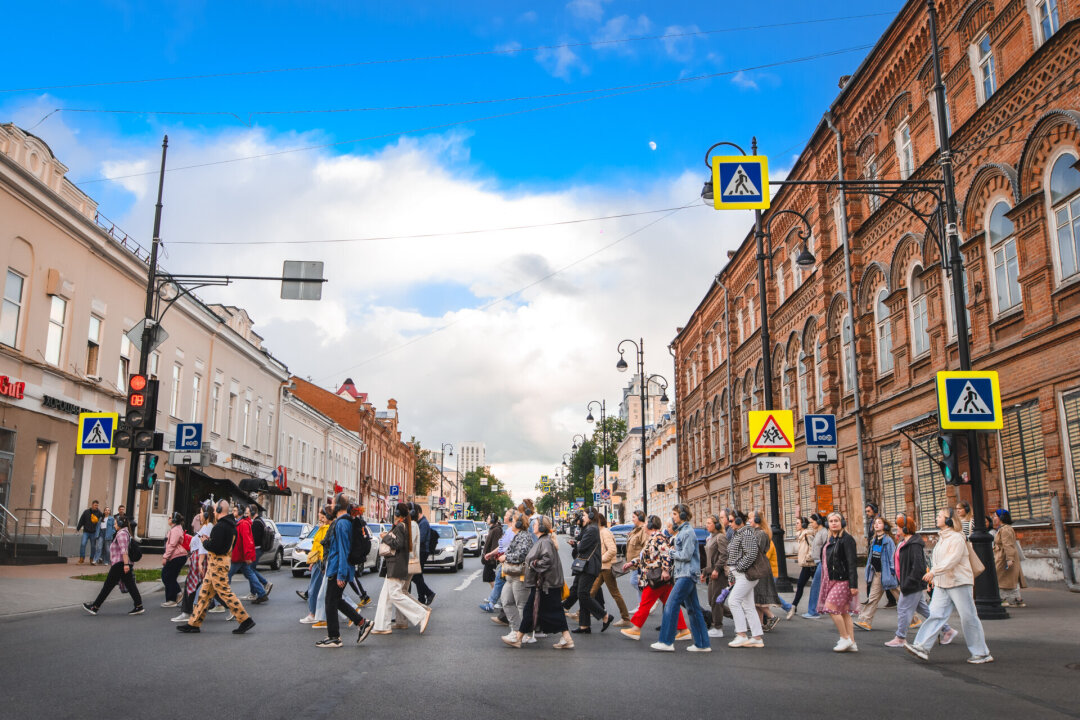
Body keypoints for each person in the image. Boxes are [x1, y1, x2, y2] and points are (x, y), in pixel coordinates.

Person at [906, 507, 993, 664]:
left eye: (940, 516)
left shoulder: (956, 538)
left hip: (959, 582)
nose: (936, 518)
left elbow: (952, 560)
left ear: (948, 520)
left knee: (968, 617)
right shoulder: (943, 538)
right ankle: (921, 646)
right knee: (935, 615)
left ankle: (982, 653)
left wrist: (934, 572)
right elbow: (939, 560)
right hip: (943, 583)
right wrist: (934, 577)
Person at [178, 500, 254, 634]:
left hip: (217, 563)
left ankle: (245, 619)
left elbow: (216, 547)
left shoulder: (220, 527)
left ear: (219, 510)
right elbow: (223, 545)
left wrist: (205, 542)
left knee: (225, 593)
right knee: (204, 594)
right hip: (220, 562)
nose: (213, 512)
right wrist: (210, 541)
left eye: (214, 509)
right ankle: (194, 623)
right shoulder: (231, 526)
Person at [885, 513, 956, 648]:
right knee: (925, 610)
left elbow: (918, 566)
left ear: (906, 528)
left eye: (899, 527)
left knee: (903, 609)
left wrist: (909, 581)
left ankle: (900, 637)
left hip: (912, 583)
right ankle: (948, 630)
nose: (897, 530)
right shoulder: (904, 542)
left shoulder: (914, 544)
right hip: (907, 582)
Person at [313, 494, 373, 648]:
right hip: (338, 568)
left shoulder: (341, 524)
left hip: (338, 569)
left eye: (332, 503)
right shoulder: (345, 521)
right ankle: (362, 623)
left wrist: (340, 574)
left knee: (330, 602)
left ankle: (335, 637)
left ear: (339, 506)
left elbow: (343, 549)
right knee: (335, 600)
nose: (331, 506)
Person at [620, 515, 691, 642]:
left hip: (656, 577)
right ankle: (684, 630)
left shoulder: (658, 538)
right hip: (658, 577)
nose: (644, 525)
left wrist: (665, 570)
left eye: (646, 522)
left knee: (645, 603)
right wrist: (632, 563)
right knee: (671, 604)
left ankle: (635, 629)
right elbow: (647, 557)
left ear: (651, 525)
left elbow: (666, 554)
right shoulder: (653, 538)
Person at [652, 504, 711, 652]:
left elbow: (686, 555)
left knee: (671, 605)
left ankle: (666, 641)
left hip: (686, 574)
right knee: (693, 609)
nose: (673, 517)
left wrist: (669, 553)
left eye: (675, 514)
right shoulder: (683, 532)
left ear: (683, 516)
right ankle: (702, 644)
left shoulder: (687, 532)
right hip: (685, 573)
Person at [514, 516, 574, 649]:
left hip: (546, 584)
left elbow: (547, 560)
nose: (532, 526)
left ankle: (518, 638)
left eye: (535, 524)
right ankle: (566, 638)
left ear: (542, 527)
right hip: (545, 583)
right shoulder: (543, 540)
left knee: (532, 609)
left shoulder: (545, 542)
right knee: (549, 611)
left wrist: (534, 563)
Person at [372, 502, 432, 635]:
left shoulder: (400, 526)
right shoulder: (405, 525)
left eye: (395, 512)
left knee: (395, 594)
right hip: (395, 564)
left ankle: (421, 614)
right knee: (385, 596)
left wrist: (385, 537)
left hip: (396, 564)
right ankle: (382, 626)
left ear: (398, 514)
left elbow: (398, 544)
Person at [82, 514, 144, 616]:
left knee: (107, 586)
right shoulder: (124, 533)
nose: (114, 525)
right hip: (122, 563)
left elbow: (124, 551)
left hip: (120, 564)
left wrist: (125, 565)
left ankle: (95, 607)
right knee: (130, 585)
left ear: (120, 523)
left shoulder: (121, 534)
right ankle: (139, 606)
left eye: (115, 523)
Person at [819, 511, 859, 652]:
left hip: (843, 580)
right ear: (827, 524)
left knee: (831, 608)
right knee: (844, 612)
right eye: (831, 521)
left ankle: (845, 638)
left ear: (842, 523)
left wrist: (853, 584)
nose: (834, 523)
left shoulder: (847, 539)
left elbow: (851, 563)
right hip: (831, 580)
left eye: (836, 520)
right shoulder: (830, 540)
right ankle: (852, 642)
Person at [570, 507, 614, 634]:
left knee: (583, 594)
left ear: (590, 515)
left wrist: (576, 545)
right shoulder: (590, 528)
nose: (582, 517)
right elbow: (581, 542)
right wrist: (576, 543)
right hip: (586, 565)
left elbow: (582, 547)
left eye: (583, 515)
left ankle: (605, 615)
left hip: (590, 566)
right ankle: (584, 625)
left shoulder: (592, 529)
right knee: (582, 593)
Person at [725, 512, 764, 648]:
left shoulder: (746, 533)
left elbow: (751, 554)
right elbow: (733, 557)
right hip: (740, 574)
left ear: (739, 520)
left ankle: (741, 634)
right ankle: (757, 637)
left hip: (746, 575)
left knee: (733, 601)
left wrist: (739, 569)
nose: (729, 524)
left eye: (731, 521)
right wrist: (732, 575)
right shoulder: (738, 533)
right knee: (748, 605)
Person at [854, 516, 898, 632]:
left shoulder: (888, 540)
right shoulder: (874, 540)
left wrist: (893, 572)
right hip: (878, 574)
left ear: (885, 526)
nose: (876, 525)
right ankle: (865, 621)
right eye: (875, 523)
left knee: (901, 599)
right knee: (872, 598)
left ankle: (914, 619)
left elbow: (892, 557)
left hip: (888, 574)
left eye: (879, 523)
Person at [500, 511, 538, 647]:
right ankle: (515, 630)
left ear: (520, 523)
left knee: (521, 605)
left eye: (514, 520)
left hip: (519, 576)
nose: (511, 521)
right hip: (511, 574)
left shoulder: (525, 537)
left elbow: (521, 555)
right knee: (506, 601)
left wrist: (506, 557)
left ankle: (525, 634)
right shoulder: (518, 536)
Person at [589, 514, 632, 627]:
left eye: (593, 521)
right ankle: (583, 612)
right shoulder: (600, 532)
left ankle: (626, 618)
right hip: (602, 567)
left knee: (614, 593)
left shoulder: (605, 532)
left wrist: (601, 559)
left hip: (606, 567)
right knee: (591, 592)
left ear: (598, 522)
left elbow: (612, 550)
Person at [173, 505, 213, 623]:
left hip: (199, 560)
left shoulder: (207, 527)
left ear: (206, 514)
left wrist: (200, 563)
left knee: (191, 584)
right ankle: (228, 606)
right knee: (209, 585)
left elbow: (203, 546)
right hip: (197, 559)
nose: (199, 515)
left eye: (201, 512)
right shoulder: (205, 526)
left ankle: (186, 612)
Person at [748, 512, 783, 632]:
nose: (749, 521)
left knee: (759, 598)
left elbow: (756, 552)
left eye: (750, 518)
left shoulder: (761, 534)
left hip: (760, 570)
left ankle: (772, 617)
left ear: (757, 520)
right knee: (757, 599)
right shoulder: (756, 533)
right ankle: (758, 625)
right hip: (759, 569)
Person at [229, 505, 269, 604]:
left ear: (240, 512)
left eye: (235, 510)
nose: (233, 512)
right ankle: (261, 593)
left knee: (227, 575)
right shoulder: (241, 523)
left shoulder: (243, 524)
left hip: (239, 555)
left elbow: (247, 541)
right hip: (240, 555)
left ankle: (223, 597)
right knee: (249, 573)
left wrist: (247, 556)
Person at [299, 506, 331, 624]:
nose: (318, 515)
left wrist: (319, 562)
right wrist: (312, 560)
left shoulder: (325, 529)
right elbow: (316, 546)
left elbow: (321, 548)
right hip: (318, 561)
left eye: (319, 513)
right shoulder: (321, 528)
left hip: (321, 562)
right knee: (323, 590)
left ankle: (313, 614)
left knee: (314, 590)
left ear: (324, 516)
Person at [701, 514, 728, 638]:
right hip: (711, 573)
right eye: (706, 523)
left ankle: (718, 627)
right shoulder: (710, 538)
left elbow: (724, 555)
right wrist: (704, 572)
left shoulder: (720, 537)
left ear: (716, 525)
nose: (706, 525)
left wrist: (717, 569)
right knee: (712, 601)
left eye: (709, 523)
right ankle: (741, 617)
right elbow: (708, 559)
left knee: (717, 601)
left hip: (719, 575)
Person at [480, 509, 513, 613]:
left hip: (505, 561)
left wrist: (493, 557)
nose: (504, 516)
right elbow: (501, 545)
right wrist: (491, 553)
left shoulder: (502, 530)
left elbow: (501, 546)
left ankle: (496, 601)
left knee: (499, 581)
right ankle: (494, 601)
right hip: (501, 559)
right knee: (499, 581)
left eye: (506, 515)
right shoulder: (506, 529)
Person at [993, 509, 1026, 608]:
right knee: (1005, 578)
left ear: (1001, 518)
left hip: (1003, 557)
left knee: (1002, 578)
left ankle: (1007, 599)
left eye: (995, 516)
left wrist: (1009, 559)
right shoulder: (1002, 528)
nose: (994, 518)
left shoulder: (1005, 529)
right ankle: (1014, 599)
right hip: (1002, 556)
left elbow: (1008, 545)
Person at [789, 516, 818, 619]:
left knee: (803, 585)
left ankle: (794, 606)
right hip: (806, 565)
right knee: (801, 585)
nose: (796, 525)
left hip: (810, 565)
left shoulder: (807, 534)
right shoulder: (801, 535)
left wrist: (808, 557)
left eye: (798, 523)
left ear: (803, 525)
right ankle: (794, 606)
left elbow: (813, 547)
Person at [160, 512, 189, 608]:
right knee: (169, 576)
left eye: (170, 517)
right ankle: (171, 599)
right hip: (176, 556)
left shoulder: (176, 530)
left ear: (174, 520)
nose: (168, 519)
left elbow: (172, 545)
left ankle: (176, 594)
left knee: (166, 576)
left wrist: (165, 557)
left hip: (177, 556)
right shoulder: (175, 529)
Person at [802, 513, 828, 619]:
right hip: (818, 562)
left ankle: (813, 611)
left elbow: (827, 547)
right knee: (825, 587)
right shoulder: (818, 532)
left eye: (812, 522)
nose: (811, 524)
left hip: (823, 562)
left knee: (815, 586)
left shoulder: (824, 532)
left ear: (818, 522)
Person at [411, 504, 436, 606]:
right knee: (418, 575)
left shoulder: (424, 523)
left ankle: (429, 593)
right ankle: (421, 598)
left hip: (422, 552)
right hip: (420, 551)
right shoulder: (420, 522)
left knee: (415, 576)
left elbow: (420, 539)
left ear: (418, 513)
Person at [624, 510, 648, 606]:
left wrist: (638, 560)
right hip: (633, 563)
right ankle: (641, 605)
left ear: (640, 518)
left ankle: (649, 598)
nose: (632, 519)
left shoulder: (643, 530)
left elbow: (645, 547)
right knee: (638, 584)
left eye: (634, 517)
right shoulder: (635, 530)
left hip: (638, 563)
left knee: (635, 582)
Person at [481, 512, 504, 593]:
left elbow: (495, 544)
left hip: (491, 559)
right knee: (489, 577)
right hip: (489, 557)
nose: (487, 520)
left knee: (489, 577)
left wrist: (492, 557)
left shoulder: (496, 530)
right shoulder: (493, 529)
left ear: (493, 520)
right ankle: (494, 595)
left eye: (488, 518)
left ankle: (496, 595)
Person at [76, 500, 103, 565]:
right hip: (86, 532)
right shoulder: (86, 512)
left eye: (97, 505)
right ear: (92, 505)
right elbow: (81, 520)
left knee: (93, 546)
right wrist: (78, 528)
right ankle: (81, 558)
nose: (96, 506)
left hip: (93, 532)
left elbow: (103, 520)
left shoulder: (99, 513)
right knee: (83, 544)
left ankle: (92, 559)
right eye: (95, 505)